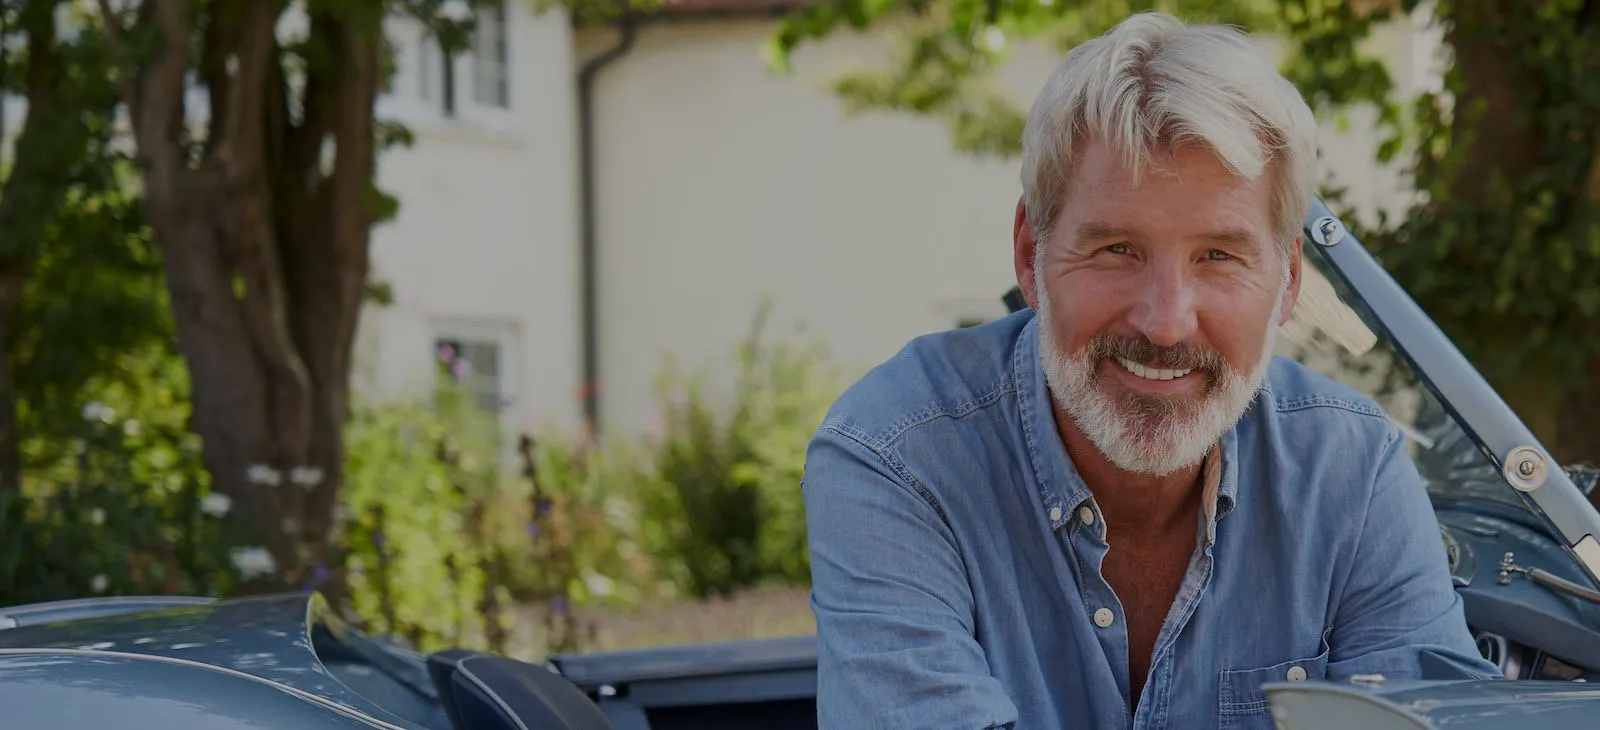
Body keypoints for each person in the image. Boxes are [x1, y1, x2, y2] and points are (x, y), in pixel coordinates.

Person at [800, 11, 1500, 730]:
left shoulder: (1351, 473)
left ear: (1288, 280)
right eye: (1115, 250)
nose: (1165, 322)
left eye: (1219, 257)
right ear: (1028, 256)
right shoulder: (899, 457)